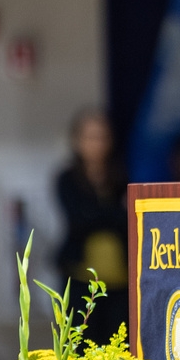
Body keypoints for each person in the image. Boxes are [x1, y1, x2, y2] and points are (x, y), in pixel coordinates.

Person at [54, 107, 129, 345]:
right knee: (81, 347)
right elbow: (79, 219)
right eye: (90, 137)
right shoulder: (66, 179)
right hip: (80, 279)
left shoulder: (122, 177)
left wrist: (98, 214)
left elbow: (128, 221)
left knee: (117, 351)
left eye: (102, 136)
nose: (97, 143)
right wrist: (114, 213)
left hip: (120, 280)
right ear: (77, 141)